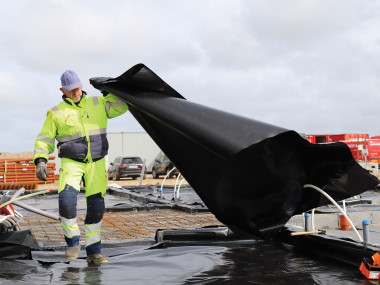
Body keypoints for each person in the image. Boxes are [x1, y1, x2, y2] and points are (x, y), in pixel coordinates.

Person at [34, 70, 128, 264]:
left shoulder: (98, 103)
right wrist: (41, 160)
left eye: (78, 87)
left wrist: (107, 90)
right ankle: (73, 242)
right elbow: (44, 139)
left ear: (81, 85)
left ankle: (94, 252)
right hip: (71, 162)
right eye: (71, 90)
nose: (76, 92)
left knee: (96, 207)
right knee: (66, 202)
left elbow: (121, 106)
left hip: (96, 162)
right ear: (62, 90)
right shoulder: (56, 113)